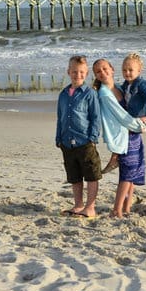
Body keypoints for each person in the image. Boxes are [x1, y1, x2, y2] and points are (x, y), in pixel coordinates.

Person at [91, 58, 146, 218]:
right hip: (124, 136)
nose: (102, 72)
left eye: (105, 68)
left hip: (132, 134)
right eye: (98, 71)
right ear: (96, 75)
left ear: (112, 69)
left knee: (133, 173)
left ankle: (127, 208)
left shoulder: (119, 87)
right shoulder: (104, 93)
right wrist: (141, 126)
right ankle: (116, 210)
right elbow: (122, 117)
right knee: (126, 174)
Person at [56, 55, 102, 218]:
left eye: (82, 72)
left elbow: (95, 117)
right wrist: (58, 138)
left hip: (85, 141)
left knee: (91, 174)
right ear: (69, 72)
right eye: (74, 71)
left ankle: (90, 207)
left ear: (87, 73)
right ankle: (78, 205)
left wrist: (93, 137)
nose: (78, 75)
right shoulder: (63, 94)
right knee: (74, 177)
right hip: (67, 142)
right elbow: (60, 117)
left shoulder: (89, 94)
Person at [102, 52, 146, 173]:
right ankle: (115, 156)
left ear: (139, 71)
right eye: (124, 70)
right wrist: (107, 85)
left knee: (122, 129)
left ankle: (114, 159)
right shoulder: (126, 84)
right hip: (134, 119)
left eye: (130, 70)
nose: (127, 73)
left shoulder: (141, 84)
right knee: (120, 129)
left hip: (142, 120)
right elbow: (118, 89)